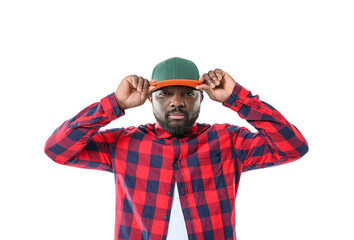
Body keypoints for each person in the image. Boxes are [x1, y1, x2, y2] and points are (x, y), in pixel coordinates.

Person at [44, 57, 308, 240]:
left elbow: (293, 147)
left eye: (188, 94)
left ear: (202, 97)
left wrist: (237, 97)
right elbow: (57, 149)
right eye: (165, 94)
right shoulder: (124, 144)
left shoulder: (228, 140)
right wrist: (115, 103)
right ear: (149, 99)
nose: (177, 102)